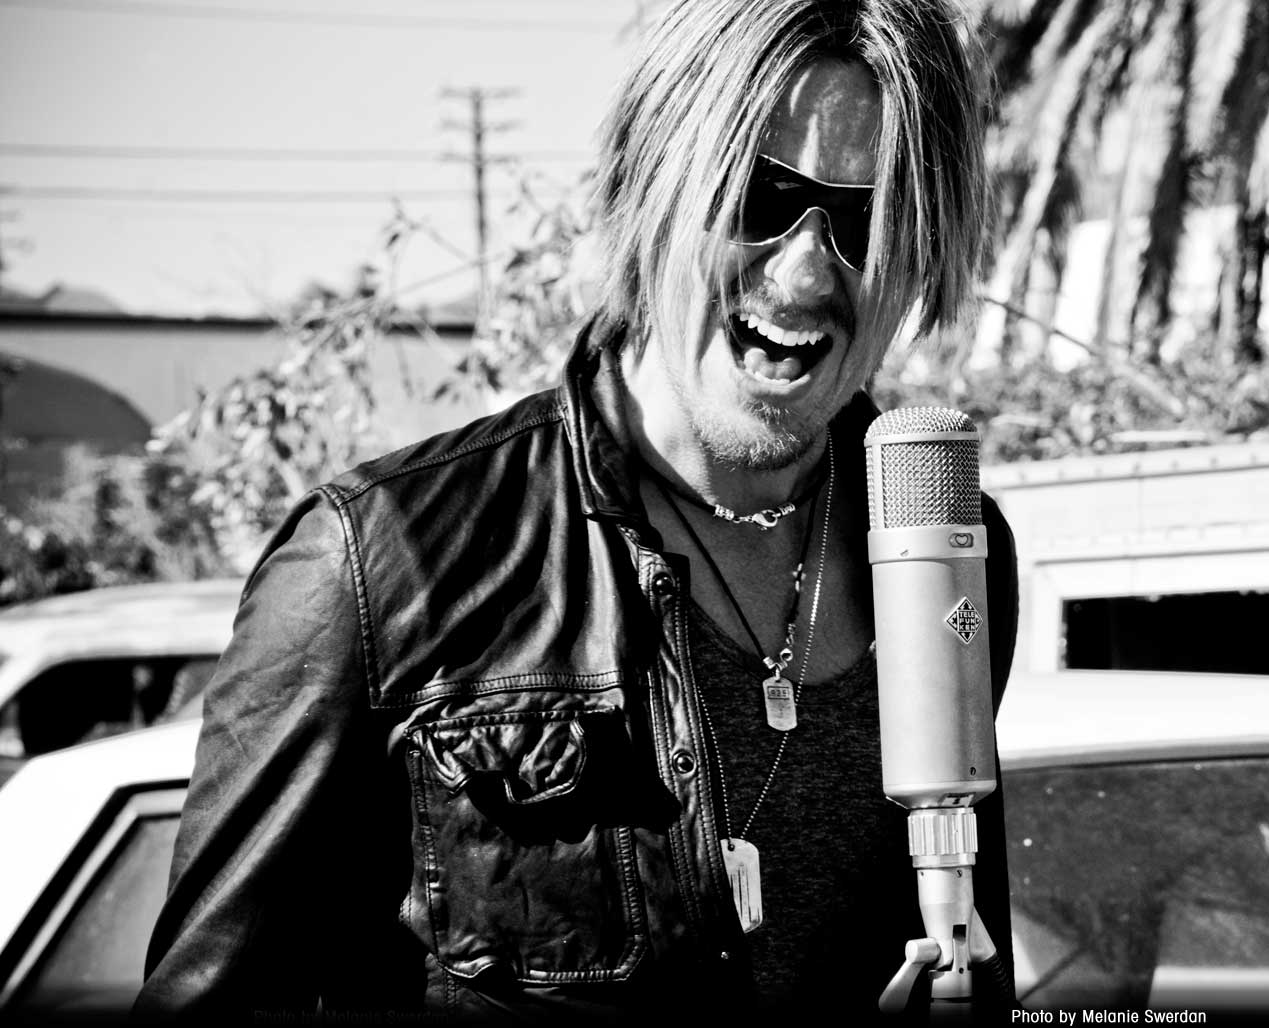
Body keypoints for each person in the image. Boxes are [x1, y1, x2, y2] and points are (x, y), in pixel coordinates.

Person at [136, 0, 1017, 1022]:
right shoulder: (381, 564)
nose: (806, 271)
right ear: (650, 190)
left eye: (871, 220)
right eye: (760, 196)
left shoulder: (950, 545)